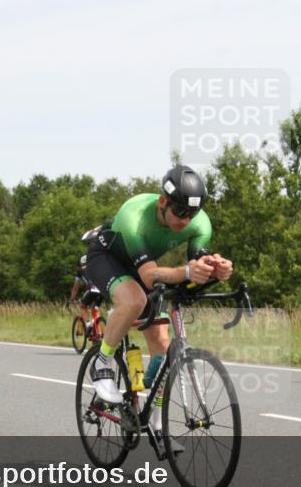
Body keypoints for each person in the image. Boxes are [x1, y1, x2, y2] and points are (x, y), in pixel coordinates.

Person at [84, 165, 232, 410]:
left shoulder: (200, 224)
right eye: (180, 212)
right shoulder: (135, 215)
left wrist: (216, 269)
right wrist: (186, 271)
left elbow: (195, 268)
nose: (185, 220)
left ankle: (155, 422)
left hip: (145, 264)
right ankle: (102, 362)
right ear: (163, 201)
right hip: (108, 258)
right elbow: (150, 276)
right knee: (134, 300)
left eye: (192, 214)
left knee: (163, 349)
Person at [69, 255, 103, 327]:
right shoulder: (96, 267)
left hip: (92, 290)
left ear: (81, 264)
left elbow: (75, 288)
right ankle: (99, 332)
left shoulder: (80, 271)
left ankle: (88, 324)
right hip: (102, 290)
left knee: (82, 306)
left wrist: (72, 299)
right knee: (95, 308)